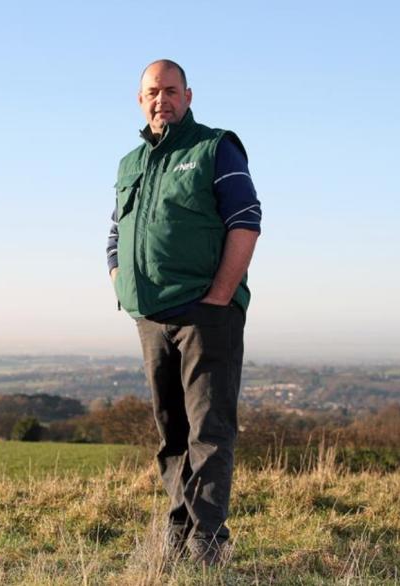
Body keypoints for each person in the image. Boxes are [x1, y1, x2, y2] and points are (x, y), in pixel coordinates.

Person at [106, 59, 261, 566]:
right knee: (171, 433)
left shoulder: (215, 148)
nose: (161, 100)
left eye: (171, 91)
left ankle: (207, 544)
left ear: (188, 96)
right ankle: (177, 531)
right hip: (150, 318)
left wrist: (219, 295)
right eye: (152, 91)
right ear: (139, 98)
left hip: (205, 317)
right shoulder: (131, 163)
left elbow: (246, 221)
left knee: (209, 432)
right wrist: (123, 287)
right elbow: (114, 236)